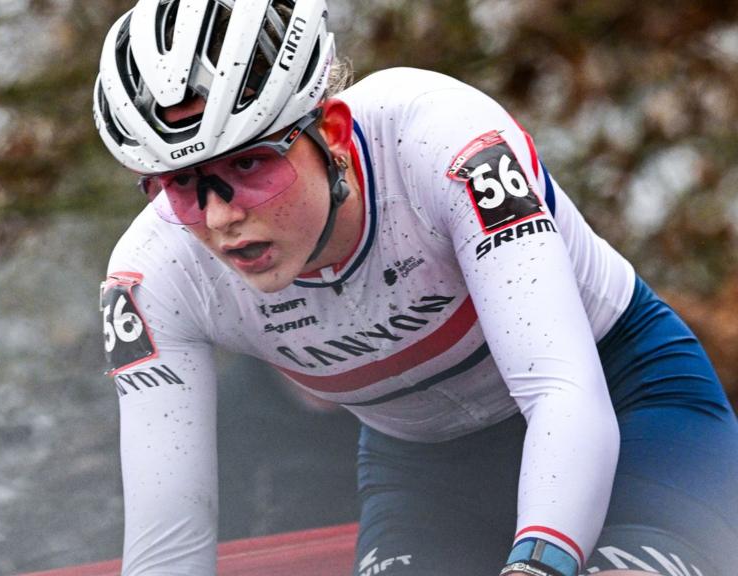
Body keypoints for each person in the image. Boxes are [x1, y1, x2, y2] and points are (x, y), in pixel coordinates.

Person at [93, 1, 738, 575]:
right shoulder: (152, 277)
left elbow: (561, 394)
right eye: (181, 183)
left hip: (629, 414)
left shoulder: (443, 142)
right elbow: (169, 540)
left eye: (250, 164)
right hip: (426, 476)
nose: (222, 216)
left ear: (335, 134)